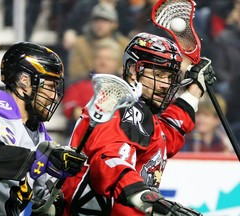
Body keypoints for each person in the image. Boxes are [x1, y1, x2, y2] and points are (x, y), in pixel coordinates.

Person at [60, 32, 216, 215]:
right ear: (133, 70)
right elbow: (108, 161)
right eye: (159, 74)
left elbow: (162, 142)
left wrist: (194, 91)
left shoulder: (142, 111)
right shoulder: (117, 103)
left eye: (170, 78)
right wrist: (150, 202)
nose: (166, 84)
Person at [0, 42, 86, 216]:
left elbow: (45, 193)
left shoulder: (38, 133)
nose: (54, 95)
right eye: (49, 86)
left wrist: (57, 197)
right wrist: (42, 160)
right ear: (24, 81)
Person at [62, 38, 121, 139]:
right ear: (93, 61)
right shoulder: (77, 86)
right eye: (99, 58)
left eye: (108, 59)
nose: (103, 62)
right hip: (82, 137)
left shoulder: (126, 89)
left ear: (116, 62)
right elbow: (75, 113)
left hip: (116, 138)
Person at [66, 2, 130, 83]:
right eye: (97, 21)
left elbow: (127, 73)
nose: (100, 25)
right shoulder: (80, 43)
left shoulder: (124, 45)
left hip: (117, 86)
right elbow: (75, 73)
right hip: (87, 86)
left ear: (114, 24)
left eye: (105, 21)